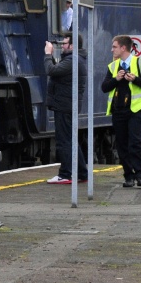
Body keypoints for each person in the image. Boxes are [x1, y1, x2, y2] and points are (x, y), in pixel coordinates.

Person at [101, 35, 141, 188]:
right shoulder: (112, 66)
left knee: (135, 142)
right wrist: (115, 79)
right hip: (118, 110)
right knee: (122, 143)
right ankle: (128, 176)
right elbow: (104, 87)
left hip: (135, 109)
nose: (112, 49)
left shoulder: (140, 62)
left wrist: (135, 79)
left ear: (123, 48)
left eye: (114, 47)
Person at [45, 34, 88, 184]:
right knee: (71, 140)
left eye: (65, 43)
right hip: (67, 104)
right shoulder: (74, 59)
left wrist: (48, 54)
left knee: (64, 141)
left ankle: (66, 174)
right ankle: (82, 173)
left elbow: (51, 71)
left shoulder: (73, 60)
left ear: (73, 45)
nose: (62, 46)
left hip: (64, 105)